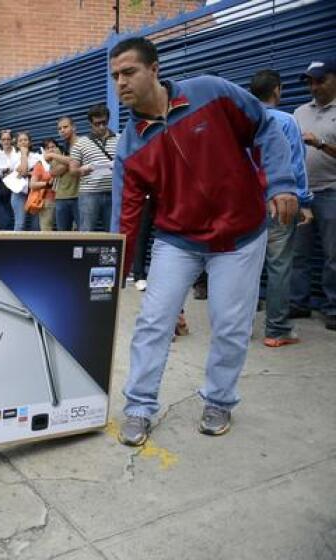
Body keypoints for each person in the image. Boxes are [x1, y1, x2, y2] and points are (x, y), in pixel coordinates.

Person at [109, 37, 297, 445]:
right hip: (177, 240)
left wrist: (281, 183)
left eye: (128, 72)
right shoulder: (130, 146)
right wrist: (114, 275)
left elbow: (263, 126)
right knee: (153, 323)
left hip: (241, 236)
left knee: (230, 326)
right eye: (115, 76)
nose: (120, 83)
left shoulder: (210, 92)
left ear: (154, 69)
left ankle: (219, 401)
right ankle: (139, 407)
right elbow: (125, 216)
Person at [249, 69, 315, 345]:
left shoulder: (242, 119)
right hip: (278, 201)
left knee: (245, 265)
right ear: (277, 90)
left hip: (246, 204)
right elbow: (295, 165)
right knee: (279, 264)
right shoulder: (286, 121)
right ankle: (276, 330)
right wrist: (305, 201)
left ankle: (239, 327)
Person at [291, 56, 336, 331]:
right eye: (310, 82)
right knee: (298, 253)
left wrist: (320, 144)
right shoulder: (299, 112)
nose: (314, 87)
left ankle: (332, 308)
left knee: (334, 255)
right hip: (302, 194)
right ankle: (298, 303)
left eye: (321, 80)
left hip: (332, 191)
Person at [70, 104, 119, 232]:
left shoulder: (120, 139)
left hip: (113, 193)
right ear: (90, 123)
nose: (102, 127)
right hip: (89, 194)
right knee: (86, 232)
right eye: (97, 123)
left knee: (113, 233)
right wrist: (82, 170)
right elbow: (72, 170)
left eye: (104, 122)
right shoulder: (80, 143)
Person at [51, 117, 81, 231]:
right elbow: (53, 172)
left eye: (65, 127)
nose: (62, 130)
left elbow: (76, 163)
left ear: (74, 127)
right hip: (61, 196)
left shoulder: (82, 143)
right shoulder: (61, 149)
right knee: (62, 236)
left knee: (84, 233)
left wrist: (53, 156)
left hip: (79, 196)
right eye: (59, 128)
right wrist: (68, 162)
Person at [10, 131, 40, 231]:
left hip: (34, 193)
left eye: (25, 140)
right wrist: (23, 154)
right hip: (19, 193)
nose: (23, 142)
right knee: (20, 224)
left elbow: (39, 173)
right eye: (20, 140)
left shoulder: (36, 156)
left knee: (35, 225)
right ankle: (16, 246)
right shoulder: (13, 156)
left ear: (30, 142)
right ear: (17, 144)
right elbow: (23, 172)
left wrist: (29, 172)